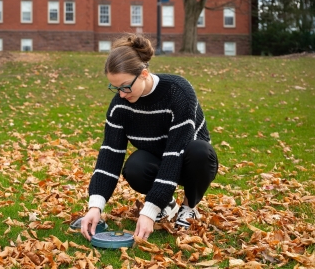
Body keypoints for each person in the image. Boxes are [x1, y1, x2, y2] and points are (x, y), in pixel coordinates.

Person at [80, 33, 218, 242]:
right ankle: (167, 203)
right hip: (157, 160)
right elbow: (109, 156)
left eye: (125, 86)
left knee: (200, 152)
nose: (122, 95)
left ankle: (189, 208)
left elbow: (175, 154)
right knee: (134, 166)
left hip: (190, 160)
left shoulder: (179, 92)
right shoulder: (120, 106)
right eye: (115, 88)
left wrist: (149, 211)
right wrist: (95, 206)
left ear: (144, 74)